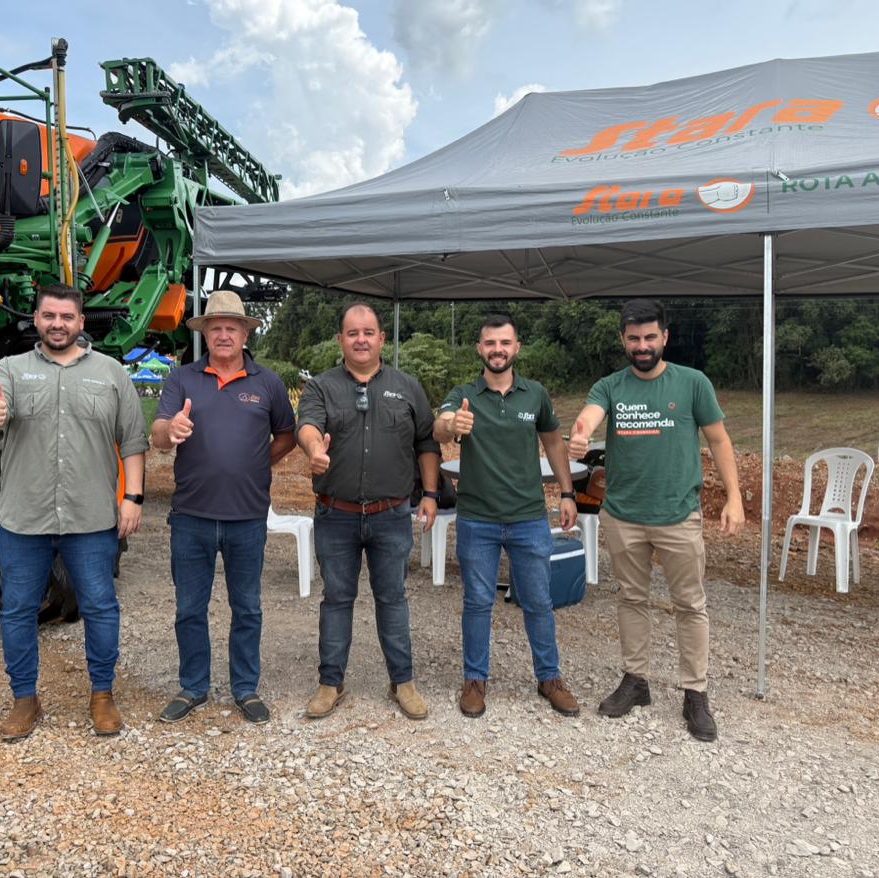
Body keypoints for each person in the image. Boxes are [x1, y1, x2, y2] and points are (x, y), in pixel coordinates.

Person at [0, 283, 147, 741]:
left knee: (101, 607)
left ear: (81, 322)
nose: (57, 324)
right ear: (36, 319)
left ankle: (103, 695)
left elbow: (133, 441)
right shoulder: (10, 369)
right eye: (49, 316)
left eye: (67, 317)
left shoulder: (111, 374)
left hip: (91, 520)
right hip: (23, 519)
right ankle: (24, 698)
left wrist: (134, 498)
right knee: (17, 611)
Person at [567, 298, 744, 743]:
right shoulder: (610, 385)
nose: (642, 346)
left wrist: (735, 497)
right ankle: (636, 681)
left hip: (677, 513)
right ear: (623, 341)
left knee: (690, 604)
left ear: (665, 337)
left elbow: (720, 440)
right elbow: (590, 415)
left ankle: (695, 693)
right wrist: (582, 431)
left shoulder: (692, 383)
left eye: (650, 337)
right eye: (633, 338)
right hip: (623, 515)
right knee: (631, 599)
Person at [152, 290, 296, 725]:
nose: (223, 334)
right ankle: (193, 687)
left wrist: (256, 460)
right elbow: (158, 434)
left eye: (232, 327)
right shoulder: (183, 379)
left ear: (246, 332)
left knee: (247, 607)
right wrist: (170, 428)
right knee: (189, 608)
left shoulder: (267, 383)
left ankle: (245, 688)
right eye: (215, 327)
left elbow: (286, 435)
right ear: (205, 334)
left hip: (247, 517)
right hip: (191, 516)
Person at [297, 303, 440, 720]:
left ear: (382, 339)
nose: (360, 339)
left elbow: (427, 443)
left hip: (391, 515)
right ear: (341, 339)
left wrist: (429, 494)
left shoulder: (408, 387)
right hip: (335, 514)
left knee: (392, 598)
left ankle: (403, 681)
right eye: (352, 332)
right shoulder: (320, 387)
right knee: (337, 599)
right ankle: (330, 683)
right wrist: (313, 448)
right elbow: (307, 424)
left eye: (368, 332)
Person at [434, 314, 582, 719]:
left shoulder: (535, 395)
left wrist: (567, 493)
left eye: (505, 343)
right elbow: (439, 426)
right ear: (480, 349)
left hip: (529, 517)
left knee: (538, 601)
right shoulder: (465, 394)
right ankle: (474, 680)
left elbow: (553, 443)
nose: (497, 350)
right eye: (489, 343)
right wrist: (453, 423)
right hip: (477, 518)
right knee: (478, 602)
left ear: (517, 348)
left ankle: (549, 677)